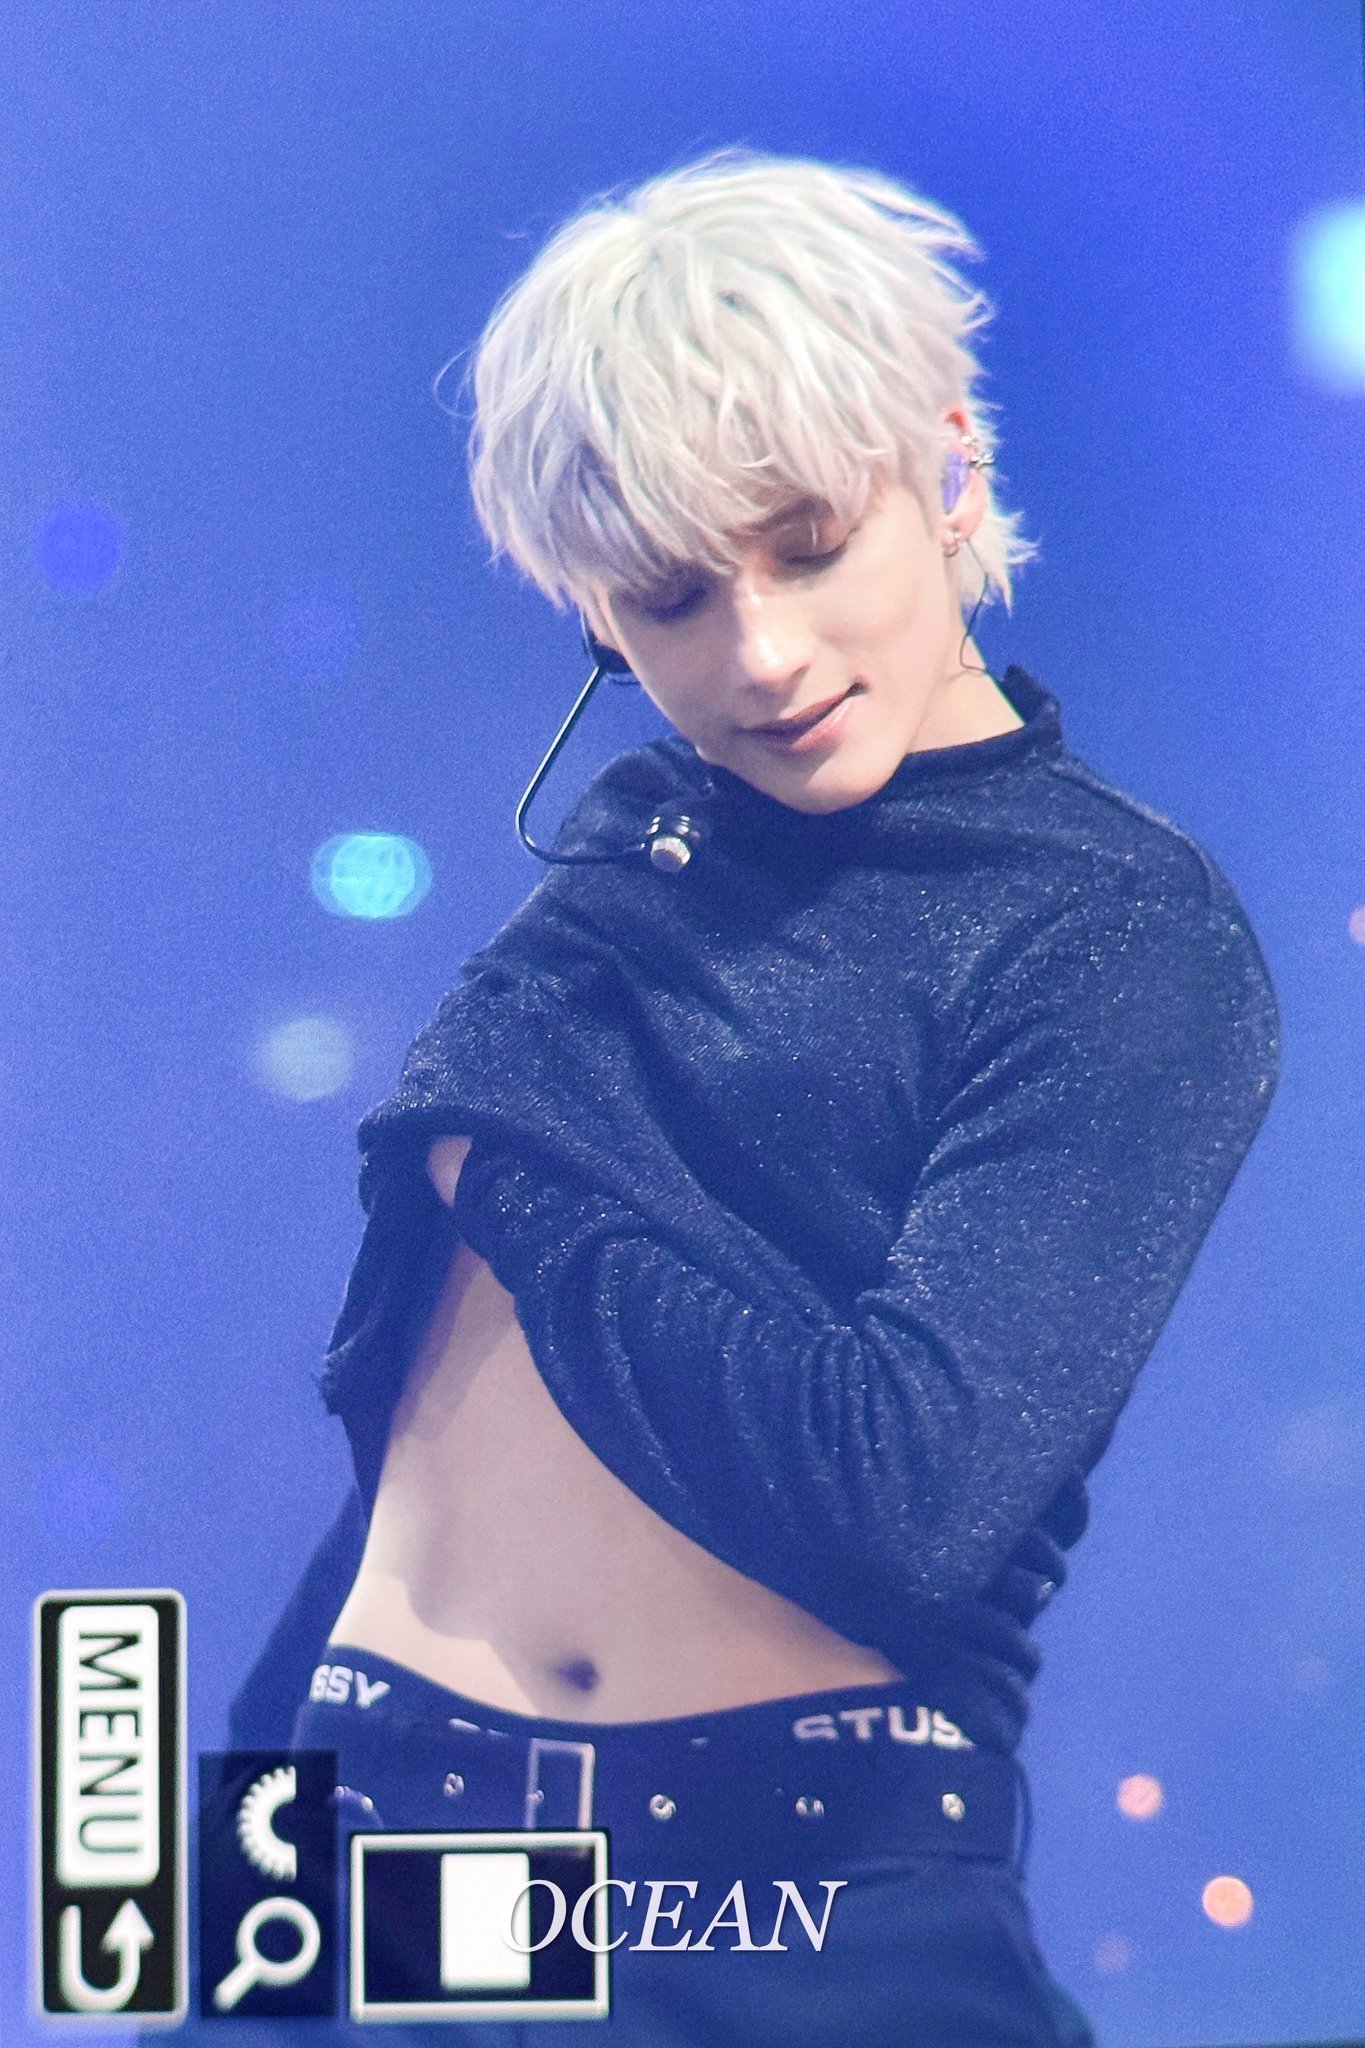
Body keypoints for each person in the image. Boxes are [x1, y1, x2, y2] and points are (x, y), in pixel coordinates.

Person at [232, 149, 1279, 2045]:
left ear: (945, 471)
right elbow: (410, 1473)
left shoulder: (1110, 927)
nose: (762, 654)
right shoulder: (622, 867)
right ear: (593, 619)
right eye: (669, 598)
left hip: (779, 1908)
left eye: (806, 545)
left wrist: (504, 1181)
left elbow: (898, 1495)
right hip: (385, 1859)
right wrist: (211, 1941)